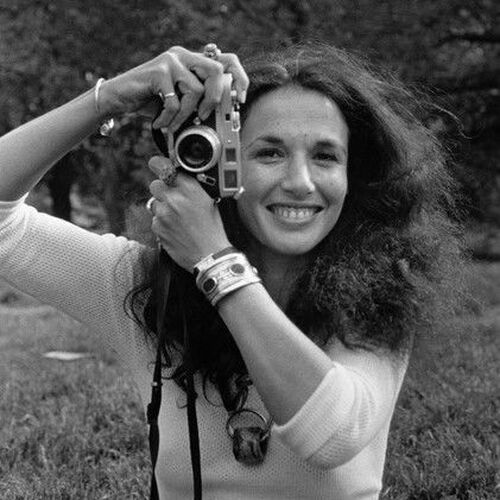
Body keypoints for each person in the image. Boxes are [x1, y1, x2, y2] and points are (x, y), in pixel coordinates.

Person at [0, 42, 465, 499]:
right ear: (223, 167)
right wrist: (107, 99)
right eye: (270, 153)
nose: (300, 183)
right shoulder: (149, 286)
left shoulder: (384, 288)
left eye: (325, 156)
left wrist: (215, 261)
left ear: (352, 176)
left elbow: (333, 434)